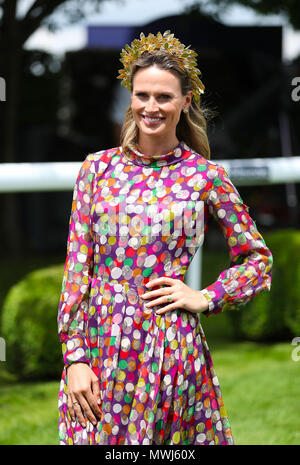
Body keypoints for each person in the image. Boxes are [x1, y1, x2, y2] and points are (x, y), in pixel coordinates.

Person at [57, 30, 273, 445]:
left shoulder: (205, 177)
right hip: (99, 346)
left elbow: (257, 261)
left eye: (163, 97)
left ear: (185, 101)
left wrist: (207, 296)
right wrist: (75, 357)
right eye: (142, 95)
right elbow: (76, 269)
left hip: (169, 347)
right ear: (130, 97)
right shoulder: (96, 170)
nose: (150, 107)